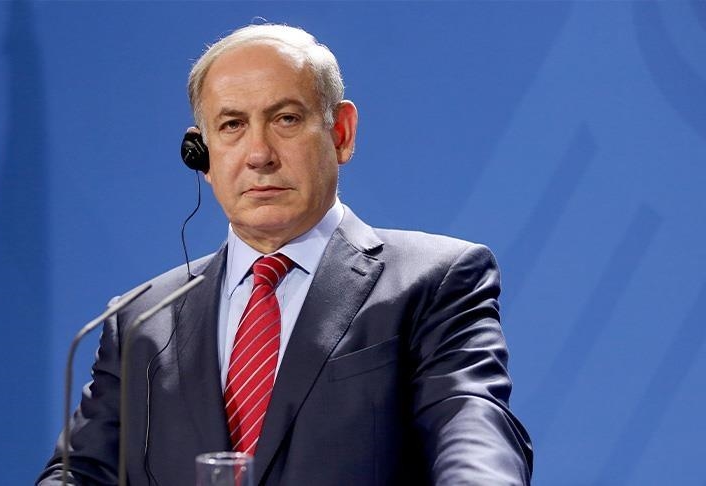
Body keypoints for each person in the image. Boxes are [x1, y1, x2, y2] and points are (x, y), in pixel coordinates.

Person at [38, 24, 532, 485]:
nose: (259, 154)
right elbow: (81, 472)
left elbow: (474, 428)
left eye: (286, 119)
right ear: (201, 155)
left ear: (341, 133)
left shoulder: (433, 281)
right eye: (232, 125)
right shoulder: (142, 320)